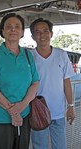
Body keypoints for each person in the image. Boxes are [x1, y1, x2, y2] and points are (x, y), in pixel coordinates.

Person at [0, 13, 39, 149]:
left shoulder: (27, 55)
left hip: (24, 115)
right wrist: (14, 112)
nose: (13, 29)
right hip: (0, 118)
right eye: (9, 26)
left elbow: (35, 83)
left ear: (21, 32)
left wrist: (22, 106)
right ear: (2, 31)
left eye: (17, 27)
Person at [30, 18, 76, 149]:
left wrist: (71, 106)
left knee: (60, 146)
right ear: (33, 37)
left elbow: (66, 82)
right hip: (37, 112)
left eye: (45, 31)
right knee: (39, 146)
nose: (42, 35)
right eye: (37, 32)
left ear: (51, 33)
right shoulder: (29, 56)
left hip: (58, 112)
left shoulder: (61, 54)